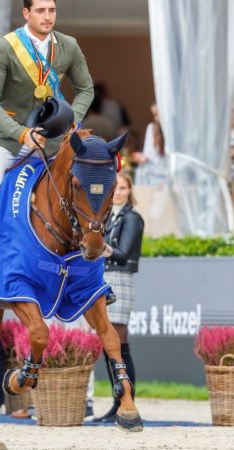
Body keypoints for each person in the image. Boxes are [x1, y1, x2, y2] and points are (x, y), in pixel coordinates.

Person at [0, 0, 94, 302]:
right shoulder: (5, 48)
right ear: (26, 13)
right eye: (41, 11)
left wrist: (74, 119)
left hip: (51, 138)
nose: (47, 17)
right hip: (8, 138)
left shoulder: (68, 46)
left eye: (52, 10)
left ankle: (85, 275)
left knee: (77, 189)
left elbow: (86, 89)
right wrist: (20, 133)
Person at [93, 172, 144, 423]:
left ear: (129, 190)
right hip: (106, 277)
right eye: (116, 188)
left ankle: (126, 399)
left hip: (121, 279)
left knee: (120, 344)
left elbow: (123, 253)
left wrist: (98, 247)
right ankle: (117, 400)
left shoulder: (132, 217)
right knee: (108, 344)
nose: (119, 192)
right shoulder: (108, 216)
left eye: (123, 188)